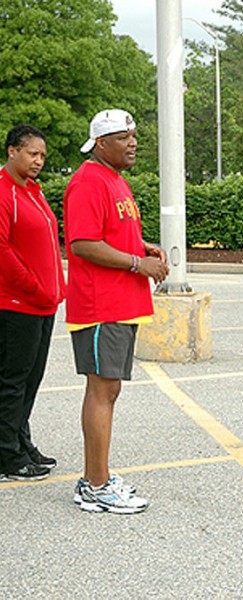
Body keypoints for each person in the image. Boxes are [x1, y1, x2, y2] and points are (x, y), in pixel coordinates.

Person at [65, 109, 169, 513]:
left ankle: (97, 478)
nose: (133, 142)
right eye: (124, 137)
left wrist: (141, 246)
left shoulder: (114, 180)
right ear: (101, 143)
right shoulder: (89, 181)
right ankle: (96, 485)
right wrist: (135, 263)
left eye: (134, 136)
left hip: (119, 305)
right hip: (99, 306)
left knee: (109, 390)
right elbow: (82, 244)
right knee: (101, 390)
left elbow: (113, 231)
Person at [0, 125, 66, 482]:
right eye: (32, 154)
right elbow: (2, 251)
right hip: (16, 305)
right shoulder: (3, 192)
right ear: (13, 151)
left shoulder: (33, 192)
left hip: (43, 305)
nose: (39, 160)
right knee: (11, 382)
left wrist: (54, 290)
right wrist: (35, 288)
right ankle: (6, 456)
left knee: (30, 380)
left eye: (42, 155)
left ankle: (21, 442)